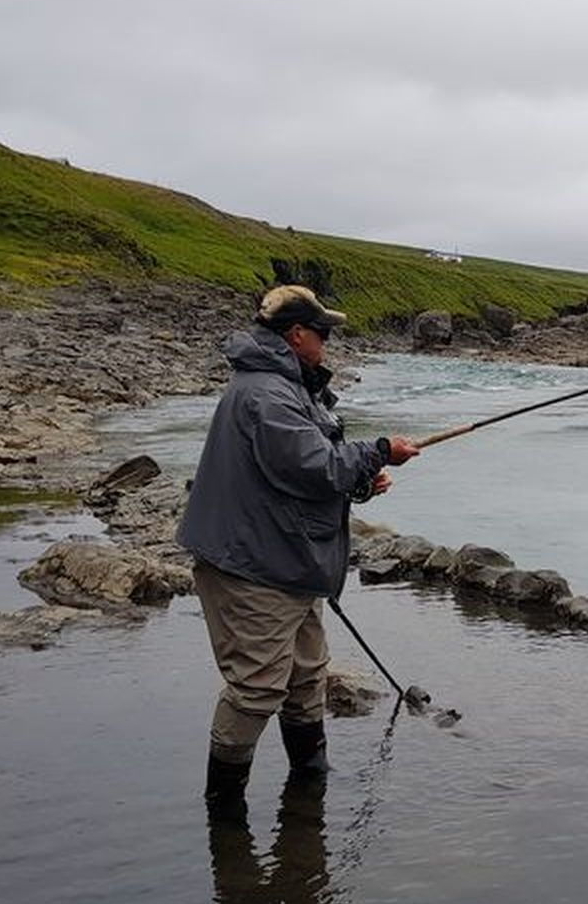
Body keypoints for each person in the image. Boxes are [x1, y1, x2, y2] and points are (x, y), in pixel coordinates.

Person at [178, 284, 420, 821]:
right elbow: (316, 465)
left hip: (288, 563)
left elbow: (310, 471)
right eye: (323, 333)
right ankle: (225, 811)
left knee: (307, 675)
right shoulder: (266, 394)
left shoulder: (287, 387)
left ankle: (308, 782)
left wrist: (361, 479)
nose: (328, 343)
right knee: (257, 687)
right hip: (253, 566)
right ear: (296, 334)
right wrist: (379, 452)